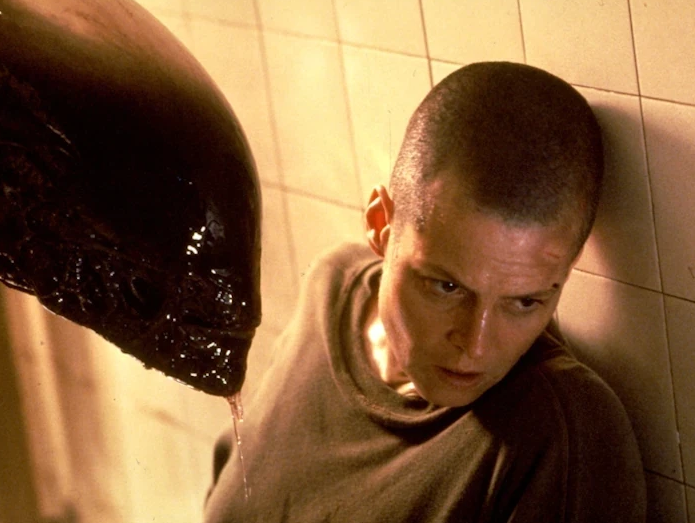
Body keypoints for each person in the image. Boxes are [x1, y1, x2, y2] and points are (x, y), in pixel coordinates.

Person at [203, 62, 646, 523]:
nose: (475, 345)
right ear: (381, 224)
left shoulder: (562, 431)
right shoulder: (329, 288)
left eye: (524, 302)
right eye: (447, 287)